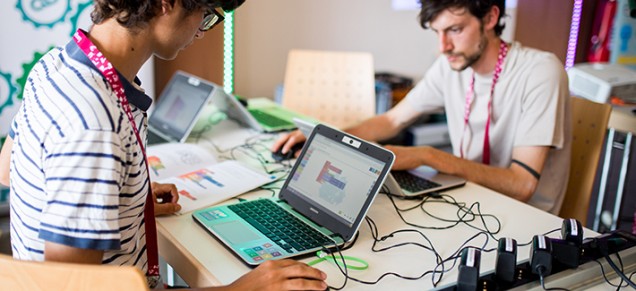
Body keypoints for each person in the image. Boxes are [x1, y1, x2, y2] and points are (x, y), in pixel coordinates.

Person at [5, 0, 327, 290]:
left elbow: (9, 170)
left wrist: (117, 203)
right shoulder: (95, 124)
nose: (202, 32)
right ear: (166, 5)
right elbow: (69, 288)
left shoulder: (55, 65)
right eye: (207, 16)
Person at [273, 0, 571, 215]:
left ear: (491, 17)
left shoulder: (540, 71)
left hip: (523, 220)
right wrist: (329, 137)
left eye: (455, 30)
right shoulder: (450, 65)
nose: (443, 46)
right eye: (437, 32)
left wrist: (428, 156)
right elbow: (390, 121)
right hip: (470, 200)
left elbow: (522, 185)